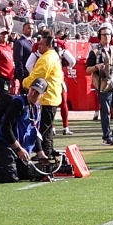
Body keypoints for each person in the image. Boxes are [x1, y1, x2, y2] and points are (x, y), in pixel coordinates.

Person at [21, 29, 65, 160]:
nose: (38, 46)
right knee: (48, 127)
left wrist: (25, 82)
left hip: (46, 97)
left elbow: (37, 78)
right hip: (52, 96)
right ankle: (48, 150)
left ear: (48, 45)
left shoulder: (46, 59)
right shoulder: (54, 56)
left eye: (41, 44)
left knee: (41, 128)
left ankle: (41, 152)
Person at [87, 27, 113, 146]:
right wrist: (96, 66)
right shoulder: (95, 52)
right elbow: (87, 69)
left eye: (109, 34)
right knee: (106, 112)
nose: (107, 36)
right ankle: (107, 136)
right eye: (104, 34)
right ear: (100, 36)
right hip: (103, 85)